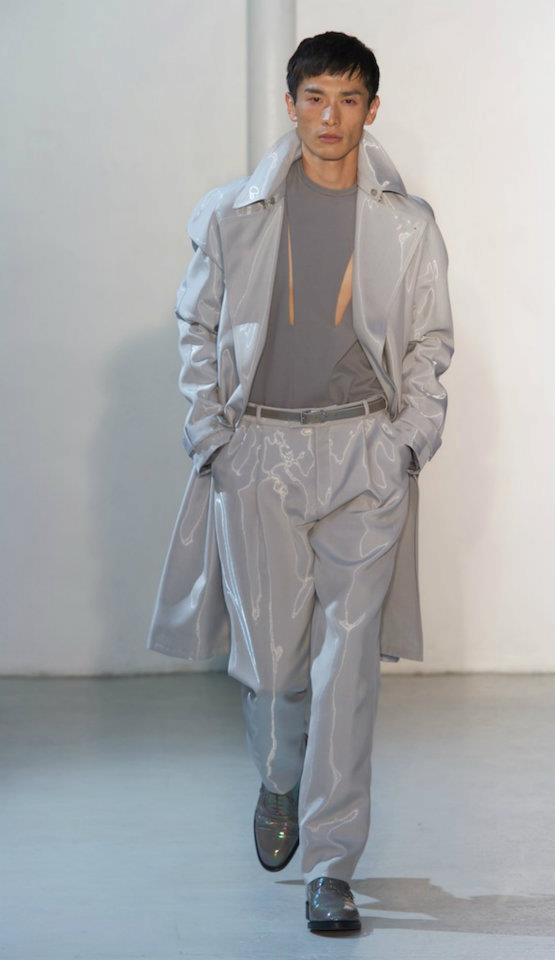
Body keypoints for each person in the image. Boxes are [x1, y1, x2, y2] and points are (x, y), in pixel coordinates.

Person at [148, 30, 454, 934]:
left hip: (364, 453)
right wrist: (213, 437)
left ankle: (331, 864)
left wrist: (407, 442)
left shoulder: (408, 224)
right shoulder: (232, 214)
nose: (330, 116)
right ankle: (279, 778)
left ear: (371, 109)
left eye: (348, 99)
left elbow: (430, 341)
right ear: (291, 105)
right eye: (315, 97)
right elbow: (195, 324)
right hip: (262, 452)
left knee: (346, 667)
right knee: (276, 666)